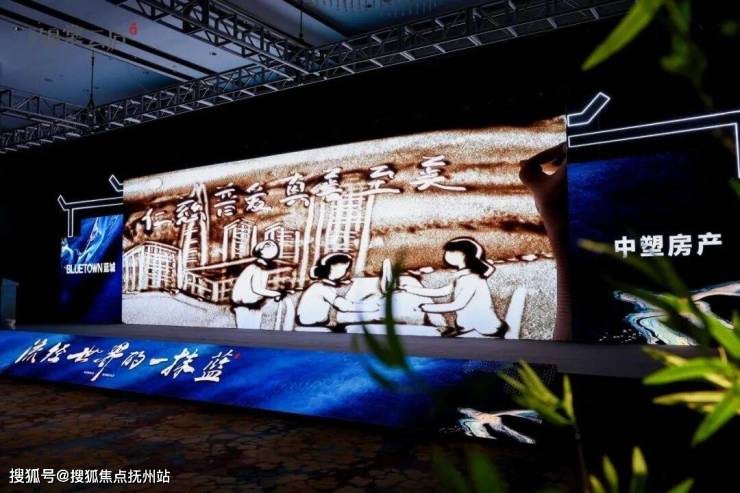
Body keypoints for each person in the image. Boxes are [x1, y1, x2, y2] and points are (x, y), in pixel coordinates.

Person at [400, 237, 507, 337]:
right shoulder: (463, 277)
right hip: (469, 328)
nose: (446, 254)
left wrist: (427, 308)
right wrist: (408, 288)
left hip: (484, 329)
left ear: (462, 255)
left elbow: (458, 304)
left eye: (451, 251)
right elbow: (442, 291)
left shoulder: (471, 278)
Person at [296, 253, 378, 332]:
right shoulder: (319, 287)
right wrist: (369, 307)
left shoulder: (325, 285)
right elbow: (343, 306)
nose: (348, 273)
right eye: (345, 269)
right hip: (309, 322)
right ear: (334, 271)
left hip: (318, 321)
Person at [231, 240, 284, 329]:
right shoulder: (257, 269)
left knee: (251, 329)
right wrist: (276, 293)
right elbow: (257, 289)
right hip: (244, 304)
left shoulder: (256, 267)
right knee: (247, 329)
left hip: (251, 303)